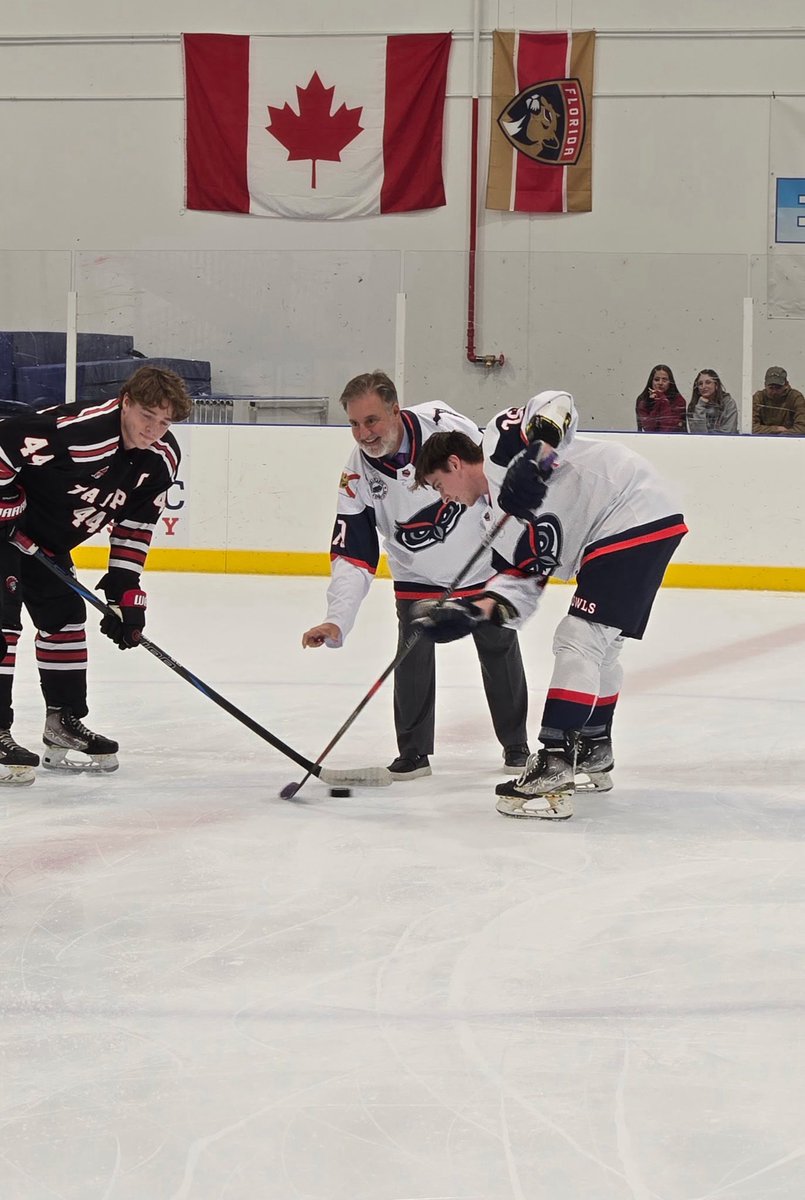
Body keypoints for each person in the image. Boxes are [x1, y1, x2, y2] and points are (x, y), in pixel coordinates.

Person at [411, 390, 688, 820]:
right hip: (631, 523)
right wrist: (469, 614)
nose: (442, 498)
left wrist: (536, 458)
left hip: (628, 506)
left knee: (579, 637)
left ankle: (556, 758)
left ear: (454, 464)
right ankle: (593, 745)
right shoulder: (495, 525)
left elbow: (557, 403)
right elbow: (519, 586)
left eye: (437, 486)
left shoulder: (499, 443)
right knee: (602, 644)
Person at [301, 370, 530, 780]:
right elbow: (353, 554)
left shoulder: (444, 425)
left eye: (371, 421)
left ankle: (516, 744)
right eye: (353, 424)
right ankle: (413, 753)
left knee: (499, 647)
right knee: (411, 654)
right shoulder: (357, 475)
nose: (363, 434)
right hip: (415, 572)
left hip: (479, 564)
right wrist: (337, 619)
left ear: (395, 410)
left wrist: (508, 537)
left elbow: (487, 475)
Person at [0, 365, 192, 785]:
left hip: (46, 541)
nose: (155, 430)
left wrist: (125, 591)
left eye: (165, 422)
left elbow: (134, 527)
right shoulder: (80, 432)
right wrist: (6, 502)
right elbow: (2, 442)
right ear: (125, 402)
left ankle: (62, 722)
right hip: (4, 530)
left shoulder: (161, 460)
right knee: (3, 624)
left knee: (65, 622)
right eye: (147, 416)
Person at [752, 366, 805, 434]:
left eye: (778, 388)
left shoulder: (796, 397)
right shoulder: (758, 397)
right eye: (771, 388)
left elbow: (802, 428)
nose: (774, 391)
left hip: (790, 441)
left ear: (786, 385)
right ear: (765, 385)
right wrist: (776, 429)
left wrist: (783, 435)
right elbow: (750, 427)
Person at [635, 364, 687, 433]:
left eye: (664, 380)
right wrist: (658, 402)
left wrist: (662, 400)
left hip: (673, 440)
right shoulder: (643, 400)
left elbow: (667, 429)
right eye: (657, 380)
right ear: (651, 381)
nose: (660, 383)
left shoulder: (679, 400)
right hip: (649, 440)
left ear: (670, 382)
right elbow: (649, 429)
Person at [686, 369, 738, 433]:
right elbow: (698, 434)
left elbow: (729, 432)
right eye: (700, 384)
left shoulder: (728, 403)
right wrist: (700, 406)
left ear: (716, 385)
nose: (703, 386)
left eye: (708, 382)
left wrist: (709, 435)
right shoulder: (694, 405)